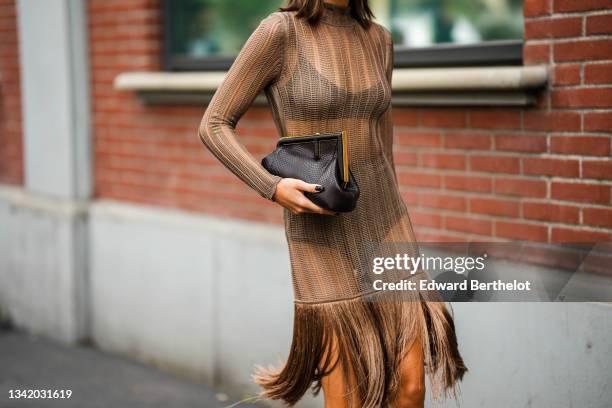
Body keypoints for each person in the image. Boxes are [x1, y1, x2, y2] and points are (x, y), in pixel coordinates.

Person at [197, 0, 467, 406]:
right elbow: (214, 124)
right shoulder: (280, 32)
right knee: (349, 397)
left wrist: (400, 218)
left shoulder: (379, 39)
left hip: (385, 218)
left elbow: (384, 147)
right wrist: (271, 186)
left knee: (410, 387)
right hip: (319, 225)